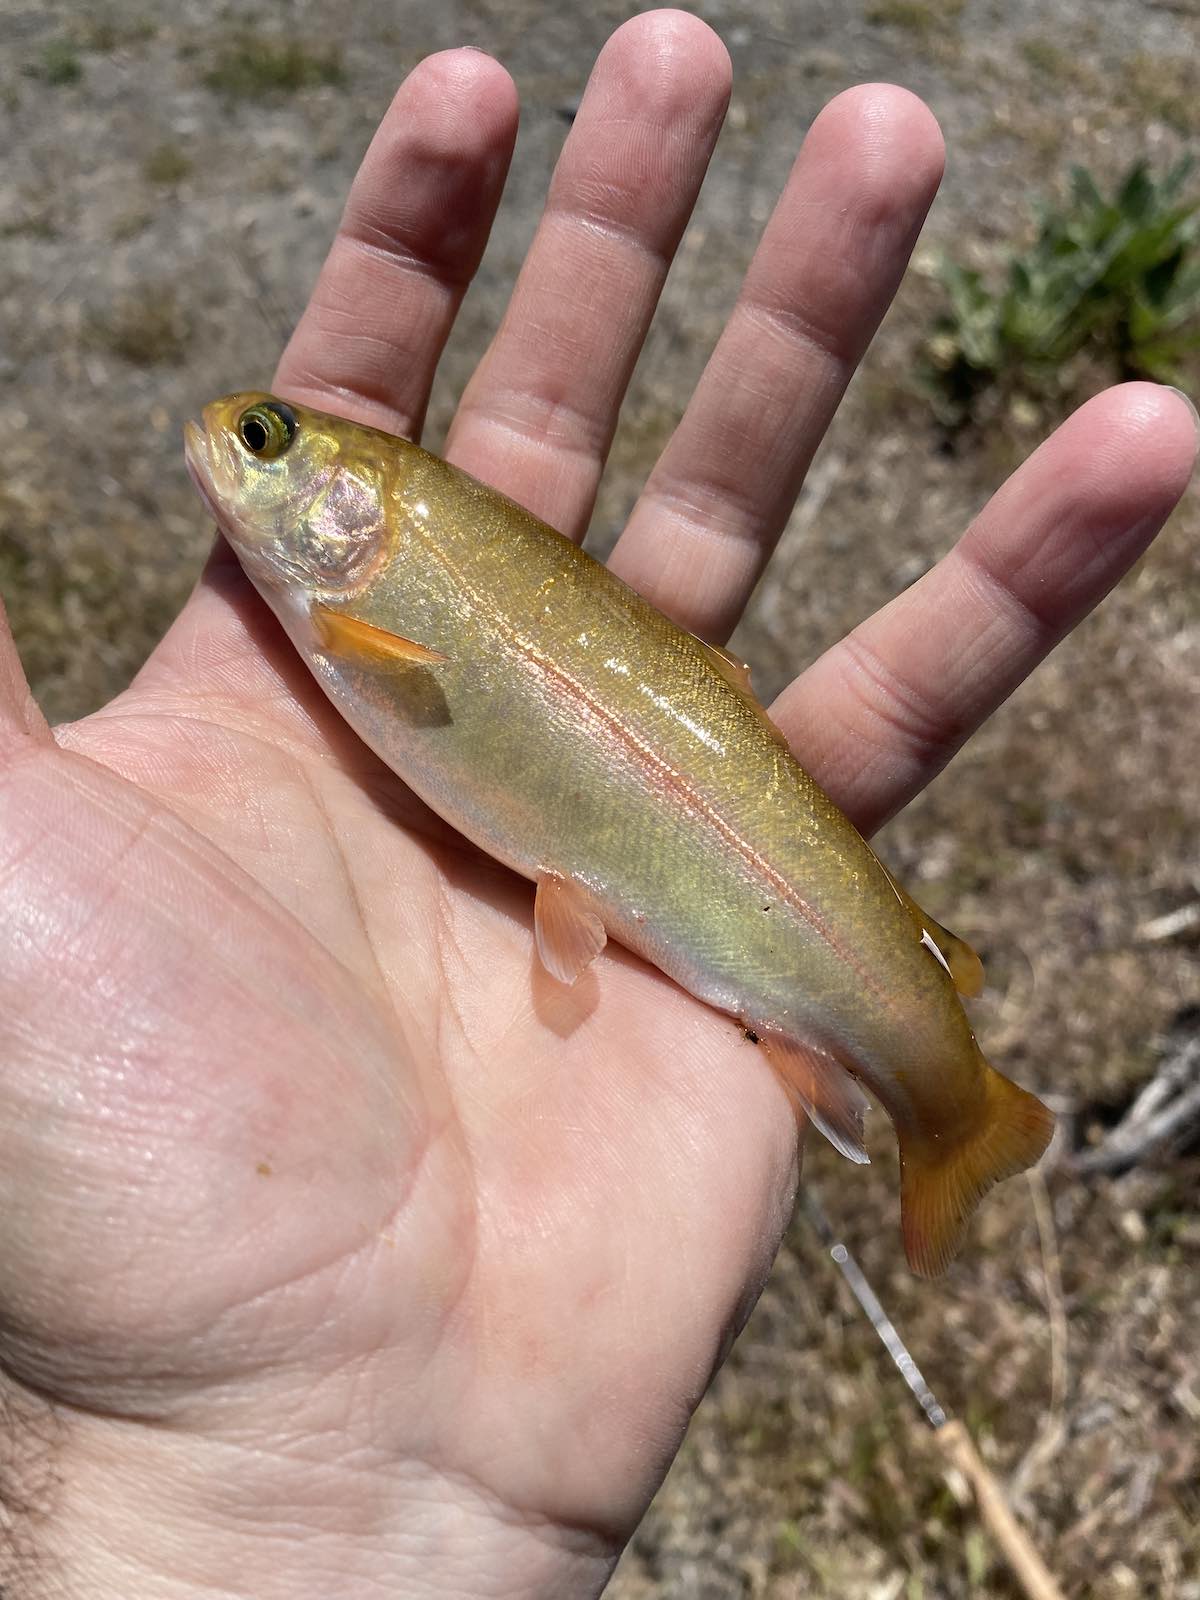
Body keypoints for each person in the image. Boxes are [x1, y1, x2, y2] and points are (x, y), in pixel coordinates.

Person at [0, 11, 1193, 1596]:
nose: (244, 447)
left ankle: (946, 1103)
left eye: (276, 445)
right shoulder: (347, 593)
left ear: (349, 499)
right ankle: (941, 1098)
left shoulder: (359, 587)